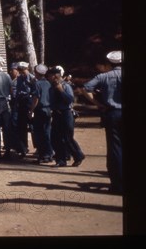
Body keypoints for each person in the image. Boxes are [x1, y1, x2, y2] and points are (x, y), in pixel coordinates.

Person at [82, 51, 122, 194]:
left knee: (115, 149)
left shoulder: (103, 77)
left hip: (112, 113)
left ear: (109, 63)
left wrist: (98, 104)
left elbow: (85, 88)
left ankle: (117, 184)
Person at [47, 67, 85, 168]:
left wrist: (61, 91)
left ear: (55, 76)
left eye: (50, 76)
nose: (48, 78)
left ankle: (78, 156)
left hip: (66, 113)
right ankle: (60, 160)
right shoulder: (51, 88)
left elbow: (70, 100)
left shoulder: (65, 86)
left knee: (67, 137)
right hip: (56, 114)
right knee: (55, 138)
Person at [30, 64, 54, 163]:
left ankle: (43, 155)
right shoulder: (49, 83)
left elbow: (36, 98)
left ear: (37, 73)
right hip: (48, 109)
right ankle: (49, 153)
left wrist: (31, 110)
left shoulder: (37, 84)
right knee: (47, 132)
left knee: (39, 134)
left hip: (40, 110)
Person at [13, 61, 36, 158]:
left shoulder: (32, 79)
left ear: (27, 69)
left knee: (33, 127)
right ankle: (23, 148)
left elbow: (35, 92)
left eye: (23, 70)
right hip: (21, 102)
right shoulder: (19, 79)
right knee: (21, 127)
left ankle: (38, 147)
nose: (22, 72)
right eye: (20, 70)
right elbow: (18, 91)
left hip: (29, 101)